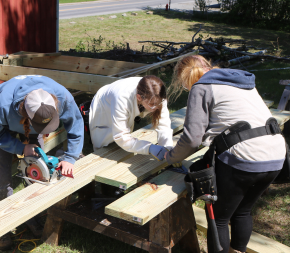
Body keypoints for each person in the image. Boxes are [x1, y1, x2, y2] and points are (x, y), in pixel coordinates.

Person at [164, 55, 286, 253]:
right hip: (276, 154)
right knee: (242, 211)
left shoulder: (201, 87)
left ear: (185, 79)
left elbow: (192, 139)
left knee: (219, 217)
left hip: (244, 156)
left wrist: (171, 157)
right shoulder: (241, 82)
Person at [0, 75, 84, 250]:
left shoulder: (62, 96)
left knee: (37, 171)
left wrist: (70, 158)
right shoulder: (3, 106)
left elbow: (75, 124)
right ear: (27, 115)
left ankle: (31, 217)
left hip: (31, 119)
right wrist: (20, 148)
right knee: (3, 178)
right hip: (4, 129)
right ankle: (2, 227)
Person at [89, 75, 175, 162]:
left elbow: (164, 125)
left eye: (158, 103)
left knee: (124, 150)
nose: (156, 107)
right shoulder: (122, 99)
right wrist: (149, 147)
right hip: (103, 108)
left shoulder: (158, 93)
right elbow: (121, 136)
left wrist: (168, 149)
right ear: (139, 97)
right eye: (152, 104)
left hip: (122, 100)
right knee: (103, 152)